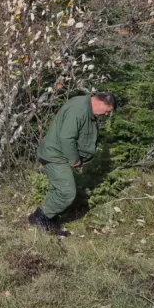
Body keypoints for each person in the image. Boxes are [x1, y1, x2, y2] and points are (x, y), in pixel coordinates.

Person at [30, 91, 117, 236]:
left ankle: (49, 221)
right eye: (107, 111)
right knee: (66, 192)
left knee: (57, 190)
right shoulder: (79, 110)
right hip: (55, 155)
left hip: (56, 153)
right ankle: (38, 218)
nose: (106, 114)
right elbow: (67, 137)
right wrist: (75, 159)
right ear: (101, 103)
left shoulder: (84, 104)